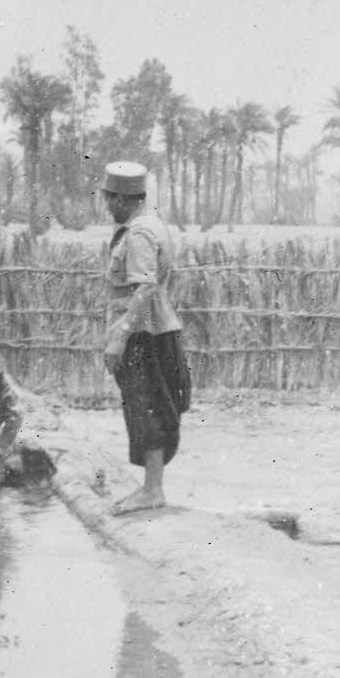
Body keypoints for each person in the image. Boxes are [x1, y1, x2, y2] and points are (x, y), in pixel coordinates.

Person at [100, 161, 191, 514]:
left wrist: (121, 334)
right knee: (151, 405)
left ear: (122, 198)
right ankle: (152, 487)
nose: (108, 205)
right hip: (157, 327)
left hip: (143, 332)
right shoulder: (155, 225)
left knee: (145, 406)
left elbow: (146, 287)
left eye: (110, 198)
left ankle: (152, 490)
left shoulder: (138, 233)